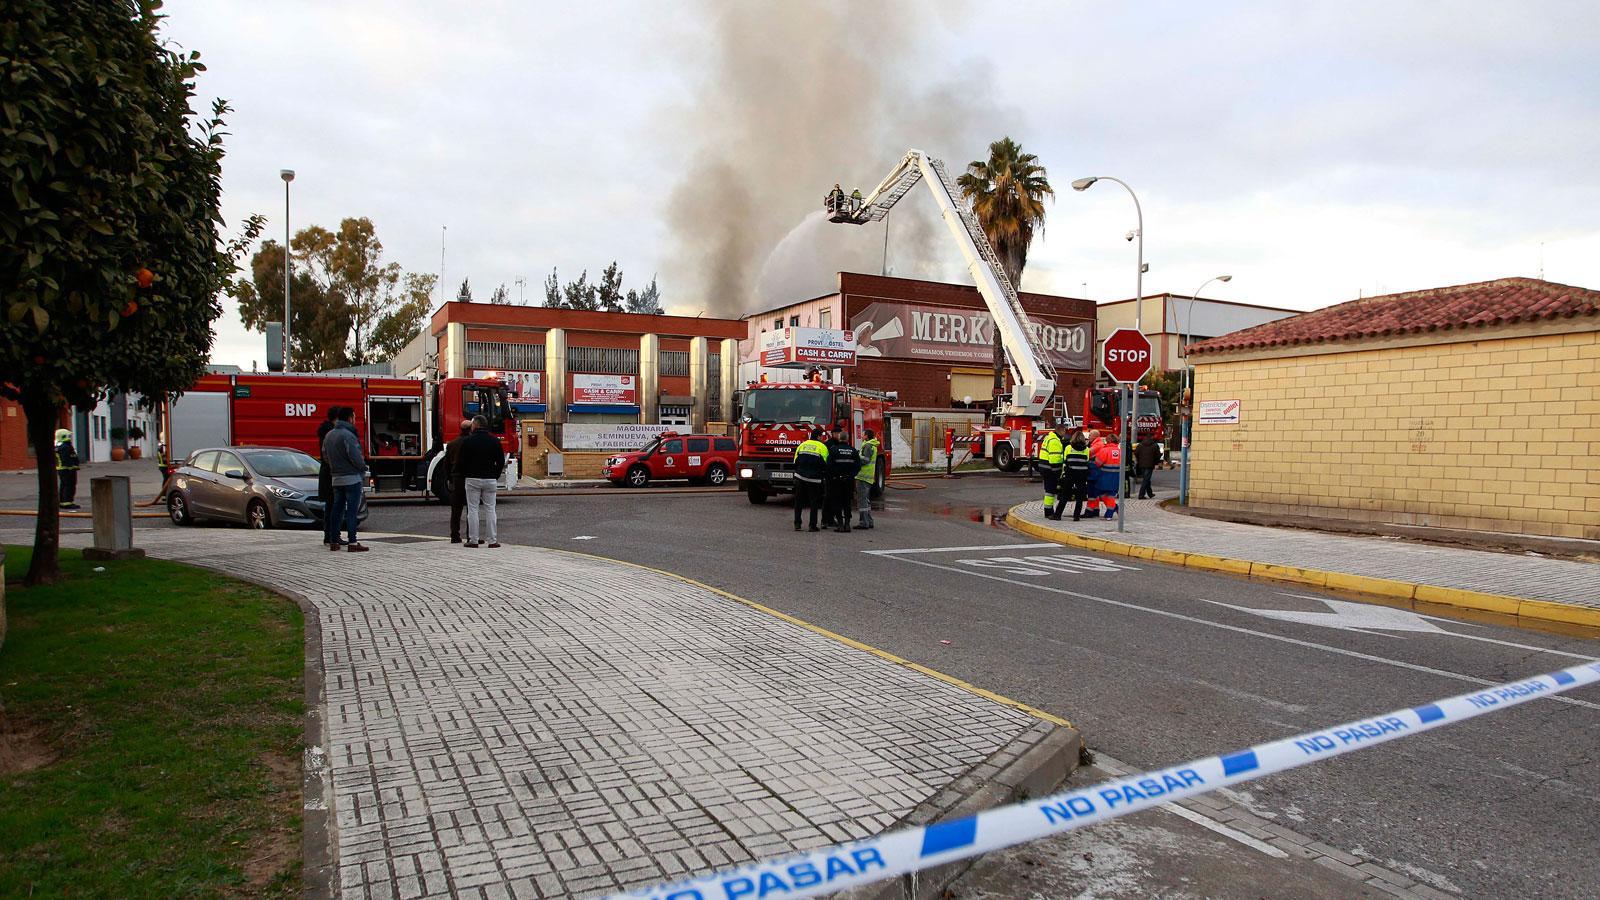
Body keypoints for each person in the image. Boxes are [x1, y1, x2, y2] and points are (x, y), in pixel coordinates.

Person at [322, 406, 369, 552]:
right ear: (349, 418)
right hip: (351, 478)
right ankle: (353, 542)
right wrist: (363, 467)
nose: (355, 420)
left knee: (337, 509)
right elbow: (355, 456)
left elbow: (325, 456)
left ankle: (334, 541)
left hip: (336, 478)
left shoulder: (329, 435)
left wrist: (335, 468)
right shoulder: (348, 435)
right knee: (352, 511)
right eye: (354, 417)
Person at [457, 415, 506, 548]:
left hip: (472, 478)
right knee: (490, 509)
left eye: (472, 425)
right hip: (490, 479)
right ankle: (492, 540)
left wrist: (465, 474)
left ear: (475, 425)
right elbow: (501, 461)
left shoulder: (467, 441)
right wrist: (494, 475)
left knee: (473, 509)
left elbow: (461, 462)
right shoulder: (494, 441)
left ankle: (473, 540)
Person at [792, 427, 829, 532]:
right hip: (814, 480)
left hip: (800, 477)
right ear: (818, 436)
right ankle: (812, 526)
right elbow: (825, 465)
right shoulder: (822, 447)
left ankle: (797, 524)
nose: (822, 438)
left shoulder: (802, 445)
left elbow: (795, 462)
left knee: (798, 502)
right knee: (814, 503)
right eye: (821, 436)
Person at [826, 426, 861, 533]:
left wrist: (835, 475)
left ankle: (840, 525)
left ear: (839, 438)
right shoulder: (853, 451)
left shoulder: (833, 450)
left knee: (837, 502)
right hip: (849, 481)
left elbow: (829, 465)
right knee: (847, 502)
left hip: (836, 481)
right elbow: (858, 466)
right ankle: (847, 525)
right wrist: (851, 476)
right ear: (847, 439)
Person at [442, 419, 471, 544]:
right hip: (470, 478)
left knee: (456, 510)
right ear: (470, 429)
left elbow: (446, 464)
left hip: (456, 478)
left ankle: (455, 535)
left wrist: (449, 478)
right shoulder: (471, 443)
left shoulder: (452, 444)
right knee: (471, 509)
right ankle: (471, 535)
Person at [316, 407, 339, 546]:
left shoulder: (325, 431)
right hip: (332, 473)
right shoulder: (332, 433)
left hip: (326, 472)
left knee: (330, 505)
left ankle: (329, 535)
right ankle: (332, 535)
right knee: (334, 505)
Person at [1089, 430, 1123, 520]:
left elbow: (1098, 463)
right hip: (1117, 477)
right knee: (1111, 495)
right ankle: (1113, 508)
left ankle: (1109, 514)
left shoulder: (1105, 450)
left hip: (1105, 476)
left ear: (1108, 440)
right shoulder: (1120, 451)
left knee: (1102, 493)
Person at [1059, 432, 1092, 521]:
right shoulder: (1086, 449)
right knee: (1080, 497)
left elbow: (1065, 460)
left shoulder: (1068, 448)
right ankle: (1076, 516)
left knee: (1065, 495)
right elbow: (1087, 461)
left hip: (1070, 474)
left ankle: (1057, 515)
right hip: (1082, 475)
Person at [1038, 423, 1066, 520]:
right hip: (1050, 469)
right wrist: (1058, 473)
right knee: (1050, 491)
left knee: (1048, 491)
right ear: (1061, 431)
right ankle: (1049, 512)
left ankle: (1048, 510)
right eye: (1064, 431)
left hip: (1044, 467)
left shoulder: (1049, 438)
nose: (1065, 433)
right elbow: (1055, 460)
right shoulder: (1055, 441)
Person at [855, 428, 880, 530]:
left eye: (863, 434)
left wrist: (856, 457)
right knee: (866, 500)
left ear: (867, 436)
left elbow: (865, 460)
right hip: (868, 476)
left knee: (862, 501)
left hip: (863, 476)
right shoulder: (872, 445)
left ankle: (864, 522)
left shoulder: (868, 446)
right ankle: (869, 521)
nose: (862, 436)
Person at [54, 428, 81, 510]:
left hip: (62, 469)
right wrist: (71, 467)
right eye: (69, 435)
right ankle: (67, 503)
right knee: (69, 486)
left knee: (64, 485)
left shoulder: (59, 446)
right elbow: (67, 458)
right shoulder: (65, 447)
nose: (70, 437)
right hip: (67, 469)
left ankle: (63, 502)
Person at [1135, 433, 1161, 500]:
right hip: (1150, 465)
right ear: (1152, 438)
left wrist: (1139, 460)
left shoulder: (1140, 445)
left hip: (1141, 464)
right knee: (1146, 479)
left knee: (1146, 479)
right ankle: (1141, 495)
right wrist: (1156, 462)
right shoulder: (1155, 445)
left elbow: (1136, 453)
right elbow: (1158, 455)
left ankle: (1150, 493)